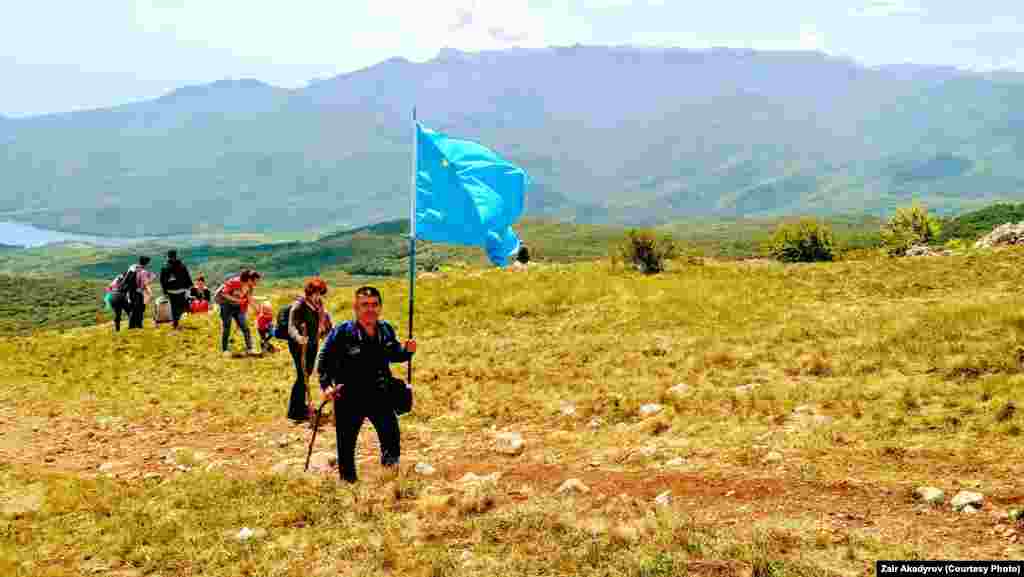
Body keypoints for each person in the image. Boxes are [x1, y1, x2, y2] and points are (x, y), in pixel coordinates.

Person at [318, 286, 416, 483]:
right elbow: (324, 361)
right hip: (349, 396)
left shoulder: (385, 330)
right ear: (356, 307)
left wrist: (407, 351)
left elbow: (394, 354)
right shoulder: (342, 332)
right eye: (365, 305)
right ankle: (348, 482)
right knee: (346, 443)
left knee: (391, 437)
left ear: (380, 307)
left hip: (380, 393)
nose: (370, 309)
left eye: (374, 304)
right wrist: (327, 386)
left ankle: (390, 477)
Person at [286, 278, 331, 423]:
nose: (318, 296)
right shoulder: (299, 305)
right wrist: (298, 337)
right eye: (315, 293)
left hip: (312, 343)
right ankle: (295, 411)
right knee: (302, 375)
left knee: (307, 374)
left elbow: (323, 320)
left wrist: (325, 333)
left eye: (320, 293)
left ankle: (301, 406)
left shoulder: (319, 304)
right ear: (309, 292)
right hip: (299, 345)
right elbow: (291, 326)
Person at [218, 269, 261, 356]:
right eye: (255, 281)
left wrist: (256, 309)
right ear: (249, 280)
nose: (256, 283)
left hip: (238, 308)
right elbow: (224, 293)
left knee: (245, 328)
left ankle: (250, 349)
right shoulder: (234, 282)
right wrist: (237, 300)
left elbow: (249, 299)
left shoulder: (250, 287)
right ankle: (225, 350)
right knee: (227, 328)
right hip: (226, 306)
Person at [160, 249, 193, 330]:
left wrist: (164, 291)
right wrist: (189, 285)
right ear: (176, 256)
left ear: (168, 256)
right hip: (181, 289)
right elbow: (187, 276)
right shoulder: (181, 265)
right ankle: (176, 321)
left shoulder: (165, 266)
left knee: (174, 307)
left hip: (171, 290)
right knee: (180, 306)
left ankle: (175, 323)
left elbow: (162, 280)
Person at [127, 256, 151, 329]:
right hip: (138, 292)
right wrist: (149, 292)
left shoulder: (132, 267)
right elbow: (145, 283)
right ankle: (138, 325)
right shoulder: (143, 271)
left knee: (133, 309)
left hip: (130, 291)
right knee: (140, 309)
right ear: (146, 263)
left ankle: (131, 325)